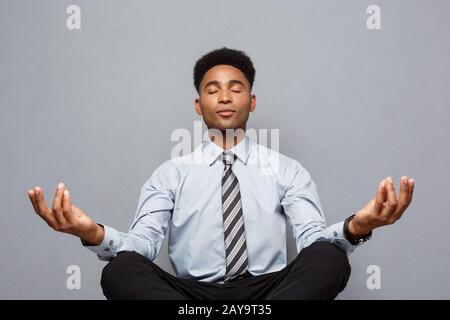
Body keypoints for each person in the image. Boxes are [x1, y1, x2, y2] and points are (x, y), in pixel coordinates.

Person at [27, 47, 415, 300]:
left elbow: (313, 241)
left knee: (330, 258)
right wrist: (91, 233)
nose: (225, 97)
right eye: (213, 90)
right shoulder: (170, 174)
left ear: (252, 100)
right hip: (192, 297)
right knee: (120, 270)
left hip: (270, 292)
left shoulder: (287, 171)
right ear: (199, 106)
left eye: (236, 88)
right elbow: (142, 245)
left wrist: (356, 227)